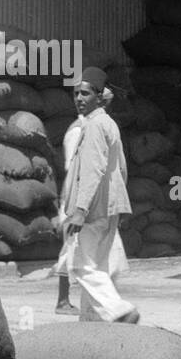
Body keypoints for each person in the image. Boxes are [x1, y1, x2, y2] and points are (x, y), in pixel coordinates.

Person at [58, 67, 138, 324]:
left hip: (93, 209)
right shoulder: (109, 124)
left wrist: (80, 210)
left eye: (85, 94)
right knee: (99, 266)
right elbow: (121, 168)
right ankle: (91, 326)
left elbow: (92, 170)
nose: (79, 99)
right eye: (75, 94)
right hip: (109, 206)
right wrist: (119, 204)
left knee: (84, 267)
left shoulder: (93, 127)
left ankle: (118, 310)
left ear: (99, 97)